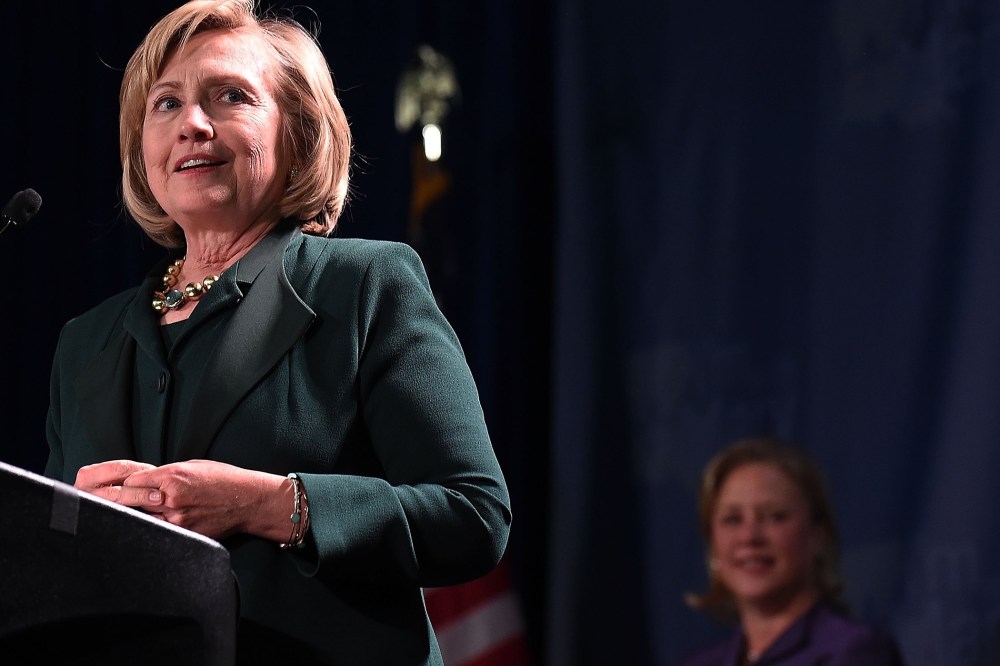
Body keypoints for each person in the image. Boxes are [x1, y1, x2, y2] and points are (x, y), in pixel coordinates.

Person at [42, 0, 511, 663]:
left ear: (298, 136)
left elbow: (473, 516)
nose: (191, 126)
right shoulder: (85, 343)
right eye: (165, 104)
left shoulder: (364, 286)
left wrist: (268, 503)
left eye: (229, 96)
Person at [676, 436, 903, 666]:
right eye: (732, 519)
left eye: (775, 517)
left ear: (817, 534)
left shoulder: (854, 651)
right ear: (712, 543)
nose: (749, 536)